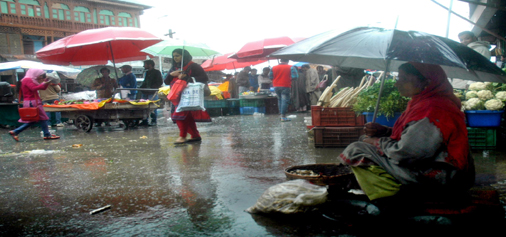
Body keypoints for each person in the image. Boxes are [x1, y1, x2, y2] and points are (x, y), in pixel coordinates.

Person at [338, 62, 474, 206]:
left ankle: (392, 198)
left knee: (357, 149)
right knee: (365, 140)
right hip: (435, 164)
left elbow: (408, 153)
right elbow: (415, 136)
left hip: (443, 177)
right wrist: (384, 131)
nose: (397, 84)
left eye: (404, 79)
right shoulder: (425, 102)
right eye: (398, 78)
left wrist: (377, 142)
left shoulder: (432, 109)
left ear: (426, 82)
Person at [165, 48, 211, 144]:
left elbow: (204, 78)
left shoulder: (194, 66)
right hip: (176, 95)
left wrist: (187, 78)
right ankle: (195, 135)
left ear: (184, 56)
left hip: (189, 95)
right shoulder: (174, 68)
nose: (175, 58)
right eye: (174, 56)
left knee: (180, 115)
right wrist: (171, 74)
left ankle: (182, 136)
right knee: (186, 116)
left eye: (177, 55)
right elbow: (166, 81)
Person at [8, 69, 60, 141]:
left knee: (39, 119)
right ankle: (16, 131)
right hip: (32, 102)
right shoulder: (27, 80)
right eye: (40, 75)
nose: (40, 77)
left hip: (32, 101)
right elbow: (33, 88)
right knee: (41, 118)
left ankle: (46, 134)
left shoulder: (29, 80)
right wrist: (44, 83)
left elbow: (42, 88)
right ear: (35, 74)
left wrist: (47, 82)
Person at [139, 59, 163, 126]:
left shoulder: (156, 72)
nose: (144, 66)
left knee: (153, 107)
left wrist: (152, 88)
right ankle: (145, 120)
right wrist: (141, 88)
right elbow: (145, 82)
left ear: (150, 65)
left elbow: (159, 82)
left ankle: (153, 120)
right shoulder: (147, 73)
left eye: (145, 64)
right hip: (145, 92)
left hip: (152, 92)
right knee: (144, 106)